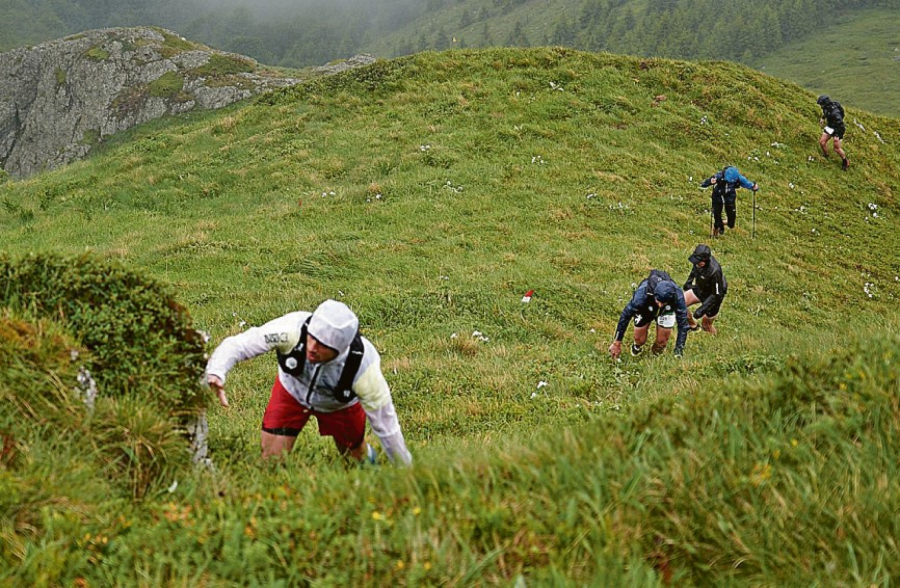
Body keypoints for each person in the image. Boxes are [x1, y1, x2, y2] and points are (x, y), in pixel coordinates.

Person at [206, 299, 412, 465]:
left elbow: (387, 425)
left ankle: (370, 463)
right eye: (312, 338)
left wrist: (407, 472)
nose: (312, 347)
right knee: (270, 460)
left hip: (339, 405)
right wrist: (216, 372)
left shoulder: (363, 368)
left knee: (355, 459)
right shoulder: (290, 329)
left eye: (323, 345)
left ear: (340, 349)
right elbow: (240, 344)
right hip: (292, 391)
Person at [608, 269, 691, 360]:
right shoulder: (641, 296)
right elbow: (625, 316)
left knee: (662, 342)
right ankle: (637, 346)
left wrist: (679, 350)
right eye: (658, 301)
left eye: (663, 303)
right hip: (647, 306)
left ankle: (655, 357)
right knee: (640, 339)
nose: (660, 305)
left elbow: (683, 323)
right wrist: (617, 342)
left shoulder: (678, 297)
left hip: (667, 309)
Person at [700, 165, 759, 237]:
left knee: (731, 223)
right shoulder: (720, 175)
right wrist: (709, 181)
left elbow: (747, 184)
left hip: (730, 198)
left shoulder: (738, 178)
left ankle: (721, 224)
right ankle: (714, 235)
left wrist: (754, 187)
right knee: (717, 218)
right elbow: (707, 182)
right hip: (717, 197)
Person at [682, 244, 727, 335]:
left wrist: (701, 310)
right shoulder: (698, 262)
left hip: (714, 297)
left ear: (705, 261)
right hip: (701, 289)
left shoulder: (715, 271)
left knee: (706, 325)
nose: (696, 263)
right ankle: (693, 326)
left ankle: (715, 341)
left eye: (698, 262)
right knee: (680, 303)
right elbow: (695, 270)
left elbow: (717, 295)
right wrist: (689, 282)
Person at [817, 95, 849, 171]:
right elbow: (826, 113)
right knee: (822, 142)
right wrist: (823, 118)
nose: (821, 106)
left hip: (838, 129)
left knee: (836, 148)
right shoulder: (826, 108)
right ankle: (826, 155)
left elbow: (840, 124)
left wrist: (837, 135)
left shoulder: (835, 113)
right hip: (830, 126)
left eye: (821, 104)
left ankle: (845, 161)